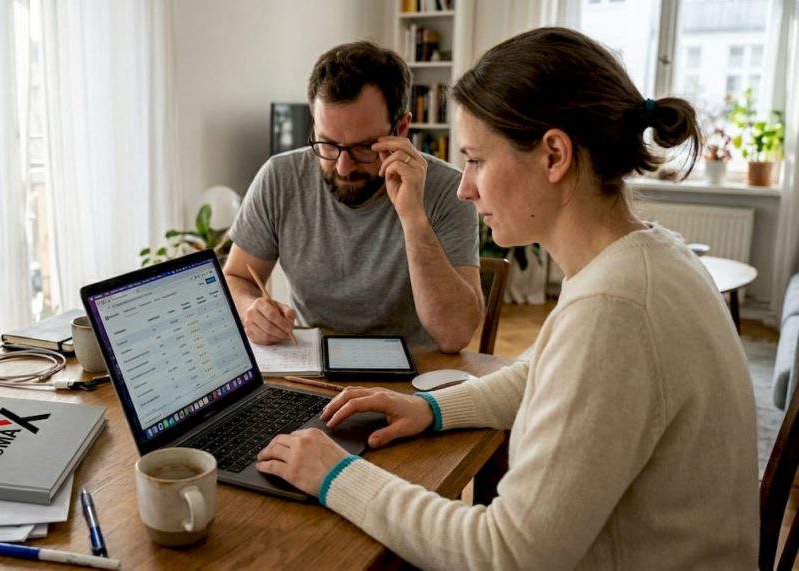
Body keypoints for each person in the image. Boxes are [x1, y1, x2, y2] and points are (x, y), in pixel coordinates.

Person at [256, 27, 759, 569]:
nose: (464, 187)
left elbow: (507, 553)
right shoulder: (648, 255)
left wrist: (337, 475)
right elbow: (542, 373)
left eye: (475, 160)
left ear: (554, 155)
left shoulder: (614, 308)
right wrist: (428, 407)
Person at [223, 41, 483, 353]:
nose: (343, 167)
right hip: (312, 365)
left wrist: (413, 217)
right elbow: (237, 277)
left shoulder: (447, 189)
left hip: (413, 374)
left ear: (401, 129)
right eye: (328, 144)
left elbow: (454, 334)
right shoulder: (280, 177)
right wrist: (251, 308)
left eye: (363, 147)